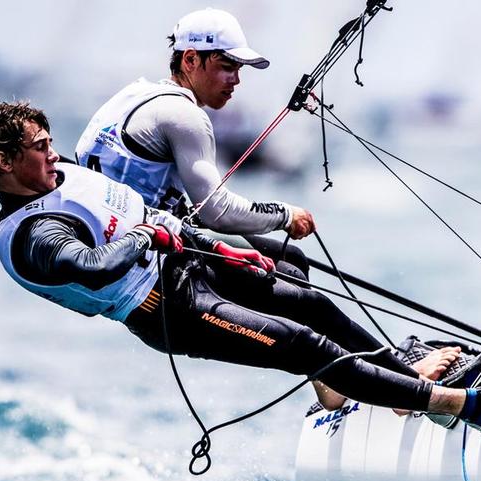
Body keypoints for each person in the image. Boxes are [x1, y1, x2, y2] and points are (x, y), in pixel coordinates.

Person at [0, 101, 481, 433]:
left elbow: (138, 209)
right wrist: (147, 234)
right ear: (5, 162)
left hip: (191, 262)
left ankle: (394, 383)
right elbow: (91, 266)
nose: (52, 151)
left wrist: (224, 244)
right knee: (304, 343)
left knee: (299, 284)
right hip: (171, 309)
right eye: (40, 146)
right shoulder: (34, 234)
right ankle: (449, 405)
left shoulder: (56, 173)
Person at [74, 7, 311, 281]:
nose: (236, 80)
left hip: (124, 233)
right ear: (190, 60)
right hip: (138, 254)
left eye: (238, 69)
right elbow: (217, 212)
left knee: (293, 260)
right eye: (227, 67)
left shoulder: (134, 93)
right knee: (296, 283)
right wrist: (285, 215)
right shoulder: (184, 115)